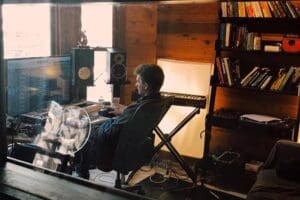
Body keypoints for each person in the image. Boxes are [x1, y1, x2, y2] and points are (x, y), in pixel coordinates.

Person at [73, 63, 165, 179]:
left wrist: (101, 123)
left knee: (82, 132)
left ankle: (81, 173)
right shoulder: (155, 103)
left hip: (112, 150)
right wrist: (126, 111)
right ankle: (84, 165)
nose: (136, 85)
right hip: (133, 146)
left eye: (138, 81)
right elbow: (136, 117)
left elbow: (110, 132)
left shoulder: (138, 108)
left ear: (145, 85)